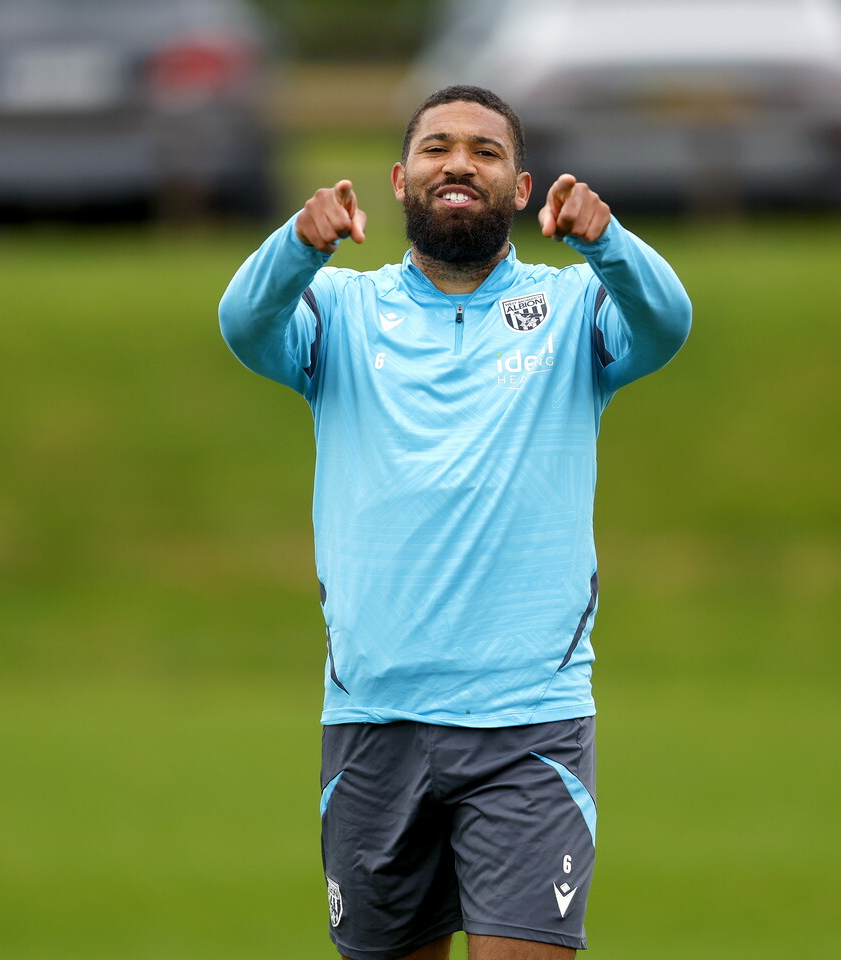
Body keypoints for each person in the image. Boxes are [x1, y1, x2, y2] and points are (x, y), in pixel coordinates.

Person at [219, 85, 691, 960]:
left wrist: (609, 244)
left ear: (521, 188)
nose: (459, 163)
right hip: (373, 716)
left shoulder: (570, 309)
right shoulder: (342, 311)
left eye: (485, 150)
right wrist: (297, 246)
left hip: (527, 719)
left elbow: (668, 324)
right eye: (437, 148)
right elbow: (244, 327)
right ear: (401, 181)